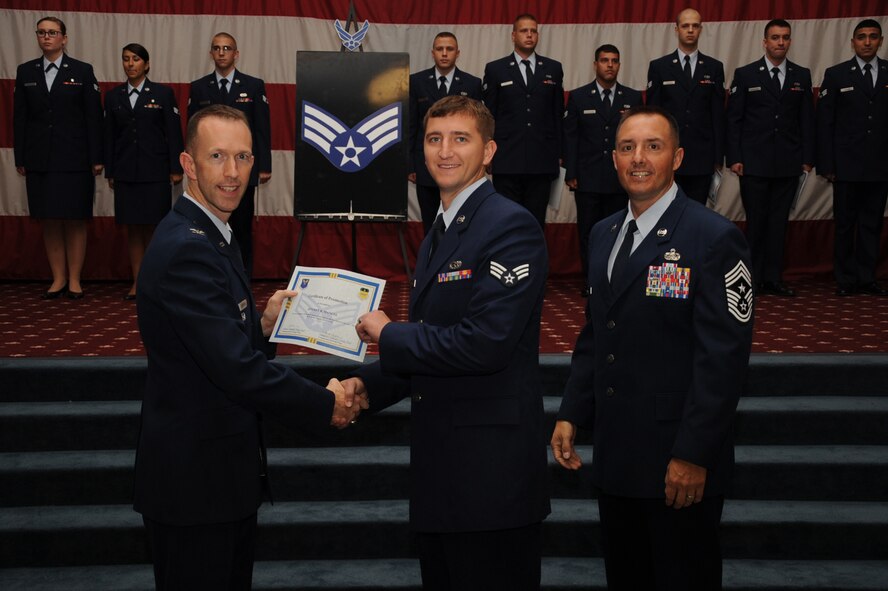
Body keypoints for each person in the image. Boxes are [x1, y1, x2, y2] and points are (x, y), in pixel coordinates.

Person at [134, 104, 365, 590]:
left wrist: (261, 324)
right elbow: (236, 370)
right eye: (217, 156)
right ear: (188, 164)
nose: (233, 172)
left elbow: (216, 346)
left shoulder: (213, 233)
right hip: (195, 487)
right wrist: (325, 403)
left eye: (242, 156)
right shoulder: (188, 247)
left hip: (217, 478)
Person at [344, 96, 550, 590]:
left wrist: (389, 333)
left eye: (461, 139)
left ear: (489, 150)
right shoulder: (443, 225)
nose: (445, 151)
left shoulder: (509, 225)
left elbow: (484, 344)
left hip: (490, 478)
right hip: (445, 472)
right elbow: (436, 345)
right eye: (434, 139)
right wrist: (362, 388)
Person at [551, 106, 754, 591]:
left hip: (677, 462)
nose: (638, 159)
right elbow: (598, 332)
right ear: (614, 158)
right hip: (618, 456)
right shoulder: (602, 234)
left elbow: (722, 362)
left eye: (653, 147)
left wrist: (693, 454)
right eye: (627, 148)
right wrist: (572, 411)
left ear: (677, 157)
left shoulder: (714, 238)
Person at [13, 16, 102, 299]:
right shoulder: (26, 71)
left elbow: (93, 117)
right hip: (40, 158)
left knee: (75, 219)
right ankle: (58, 278)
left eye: (52, 32)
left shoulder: (82, 71)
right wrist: (21, 156)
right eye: (41, 32)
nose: (46, 37)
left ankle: (75, 280)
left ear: (64, 38)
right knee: (49, 219)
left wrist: (96, 157)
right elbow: (20, 119)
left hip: (75, 158)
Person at [726, 19, 814, 297]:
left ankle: (773, 278)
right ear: (764, 42)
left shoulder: (801, 75)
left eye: (785, 37)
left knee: (778, 224)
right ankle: (750, 279)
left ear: (789, 41)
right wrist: (735, 158)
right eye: (775, 37)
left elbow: (806, 121)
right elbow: (734, 120)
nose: (780, 42)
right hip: (753, 163)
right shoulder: (746, 74)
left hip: (788, 163)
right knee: (756, 223)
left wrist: (807, 158)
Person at [104, 43, 184, 300]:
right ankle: (138, 281)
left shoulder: (162, 94)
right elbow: (110, 137)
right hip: (126, 171)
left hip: (156, 171)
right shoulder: (114, 96)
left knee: (155, 229)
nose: (130, 64)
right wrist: (111, 171)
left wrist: (175, 168)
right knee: (133, 229)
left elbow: (173, 133)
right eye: (126, 59)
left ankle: (156, 281)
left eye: (136, 59)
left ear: (146, 64)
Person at [188, 32, 271, 279]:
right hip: (209, 171)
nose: (221, 52)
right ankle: (213, 275)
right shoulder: (199, 87)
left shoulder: (253, 86)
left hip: (241, 170)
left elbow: (261, 128)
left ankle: (242, 277)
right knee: (208, 225)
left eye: (227, 48)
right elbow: (192, 132)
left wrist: (263, 166)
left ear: (236, 54)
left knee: (241, 227)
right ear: (211, 53)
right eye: (217, 48)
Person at [816, 19, 888, 296]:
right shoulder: (836, 75)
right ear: (853, 42)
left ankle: (867, 277)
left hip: (880, 166)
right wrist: (827, 164)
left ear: (880, 40)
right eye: (861, 37)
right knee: (845, 225)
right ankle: (845, 278)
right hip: (844, 166)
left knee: (872, 224)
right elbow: (826, 123)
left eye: (872, 37)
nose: (867, 42)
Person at [563, 44, 642, 289]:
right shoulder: (578, 96)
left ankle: (614, 279)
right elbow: (571, 137)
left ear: (619, 65)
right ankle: (592, 281)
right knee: (589, 233)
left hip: (620, 178)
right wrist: (572, 173)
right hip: (587, 177)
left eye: (614, 61)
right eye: (605, 60)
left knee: (619, 231)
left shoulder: (632, 98)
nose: (610, 65)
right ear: (595, 64)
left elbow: (637, 138)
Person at [482, 13, 564, 228]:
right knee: (505, 221)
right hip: (507, 159)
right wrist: (487, 153)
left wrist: (560, 154)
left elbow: (557, 115)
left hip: (542, 159)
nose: (529, 35)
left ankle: (534, 262)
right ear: (513, 35)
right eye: (524, 30)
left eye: (533, 31)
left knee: (535, 222)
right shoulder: (496, 69)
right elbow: (489, 116)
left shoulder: (553, 68)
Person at [647, 8, 726, 205]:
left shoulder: (714, 67)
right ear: (676, 29)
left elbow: (718, 114)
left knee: (697, 213)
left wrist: (718, 156)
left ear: (700, 29)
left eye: (694, 26)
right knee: (666, 210)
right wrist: (652, 150)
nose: (690, 30)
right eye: (685, 26)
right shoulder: (660, 67)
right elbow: (653, 116)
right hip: (668, 154)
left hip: (702, 156)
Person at [409, 32, 482, 234]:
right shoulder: (417, 82)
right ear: (432, 53)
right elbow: (411, 126)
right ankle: (430, 264)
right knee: (430, 225)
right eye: (440, 49)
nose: (444, 53)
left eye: (449, 49)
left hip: (461, 166)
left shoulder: (472, 84)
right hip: (427, 164)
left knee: (460, 224)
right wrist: (410, 164)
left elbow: (477, 130)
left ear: (457, 53)